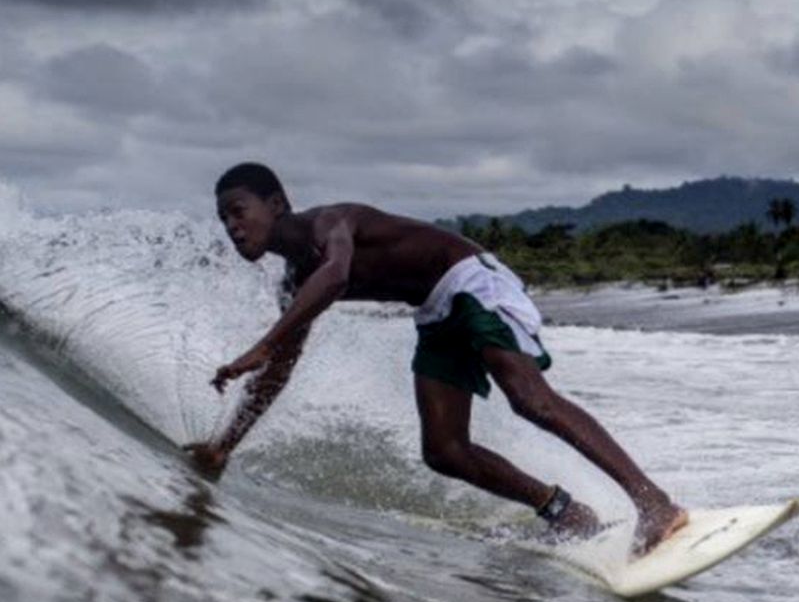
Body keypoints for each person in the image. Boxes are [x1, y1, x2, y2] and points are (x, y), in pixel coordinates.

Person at [186, 162, 687, 554]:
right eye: (223, 218)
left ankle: (654, 504)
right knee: (445, 450)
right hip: (436, 310)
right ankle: (564, 513)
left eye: (238, 210)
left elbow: (336, 274)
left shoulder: (331, 222)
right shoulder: (294, 282)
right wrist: (225, 445)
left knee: (530, 400)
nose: (231, 226)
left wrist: (266, 342)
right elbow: (279, 372)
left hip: (472, 281)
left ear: (276, 204)